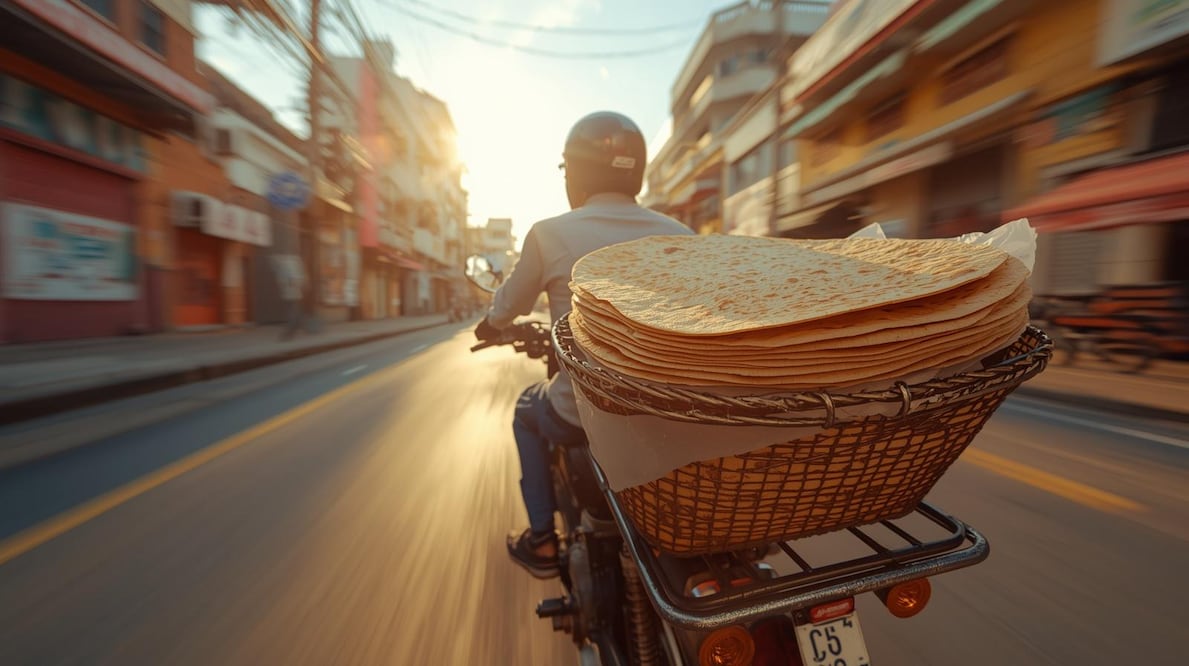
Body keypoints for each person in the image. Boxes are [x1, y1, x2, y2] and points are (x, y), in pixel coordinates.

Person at [474, 111, 693, 578]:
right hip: (673, 411)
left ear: (574, 172)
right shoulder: (682, 235)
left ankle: (542, 541)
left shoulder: (549, 233)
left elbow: (508, 304)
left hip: (584, 414)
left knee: (526, 411)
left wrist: (489, 326)